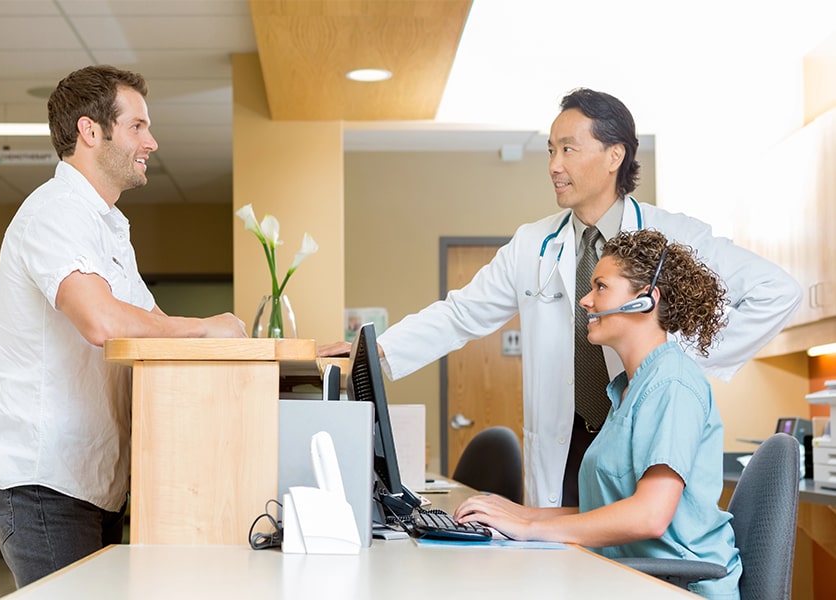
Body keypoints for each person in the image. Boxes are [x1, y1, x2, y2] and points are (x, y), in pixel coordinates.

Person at [319, 88, 801, 509]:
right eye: (551, 150)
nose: (554, 165)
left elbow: (777, 291)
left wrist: (678, 358)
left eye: (569, 149)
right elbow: (462, 312)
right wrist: (375, 350)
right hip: (564, 444)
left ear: (615, 156)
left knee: (636, 552)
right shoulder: (533, 244)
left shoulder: (671, 237)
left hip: (644, 434)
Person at [0, 65, 247, 588]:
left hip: (93, 482)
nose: (153, 141)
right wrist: (206, 328)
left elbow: (154, 324)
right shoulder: (54, 213)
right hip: (44, 486)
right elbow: (101, 320)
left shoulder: (109, 228)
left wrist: (259, 346)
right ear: (91, 131)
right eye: (138, 126)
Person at [455, 229, 741, 599]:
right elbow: (602, 510)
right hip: (632, 577)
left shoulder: (672, 384)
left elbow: (650, 516)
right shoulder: (628, 387)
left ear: (645, 300)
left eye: (601, 287)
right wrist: (521, 515)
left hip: (679, 586)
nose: (586, 300)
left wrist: (529, 530)